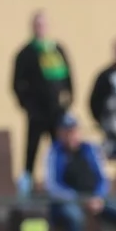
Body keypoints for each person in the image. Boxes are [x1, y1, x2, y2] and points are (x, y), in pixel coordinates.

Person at [12, 10, 74, 194]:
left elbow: (68, 79)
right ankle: (27, 184)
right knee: (32, 148)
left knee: (60, 150)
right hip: (37, 112)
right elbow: (16, 83)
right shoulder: (25, 53)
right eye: (37, 24)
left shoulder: (57, 49)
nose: (40, 28)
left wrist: (68, 101)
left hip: (57, 111)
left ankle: (62, 182)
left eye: (43, 24)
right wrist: (28, 106)